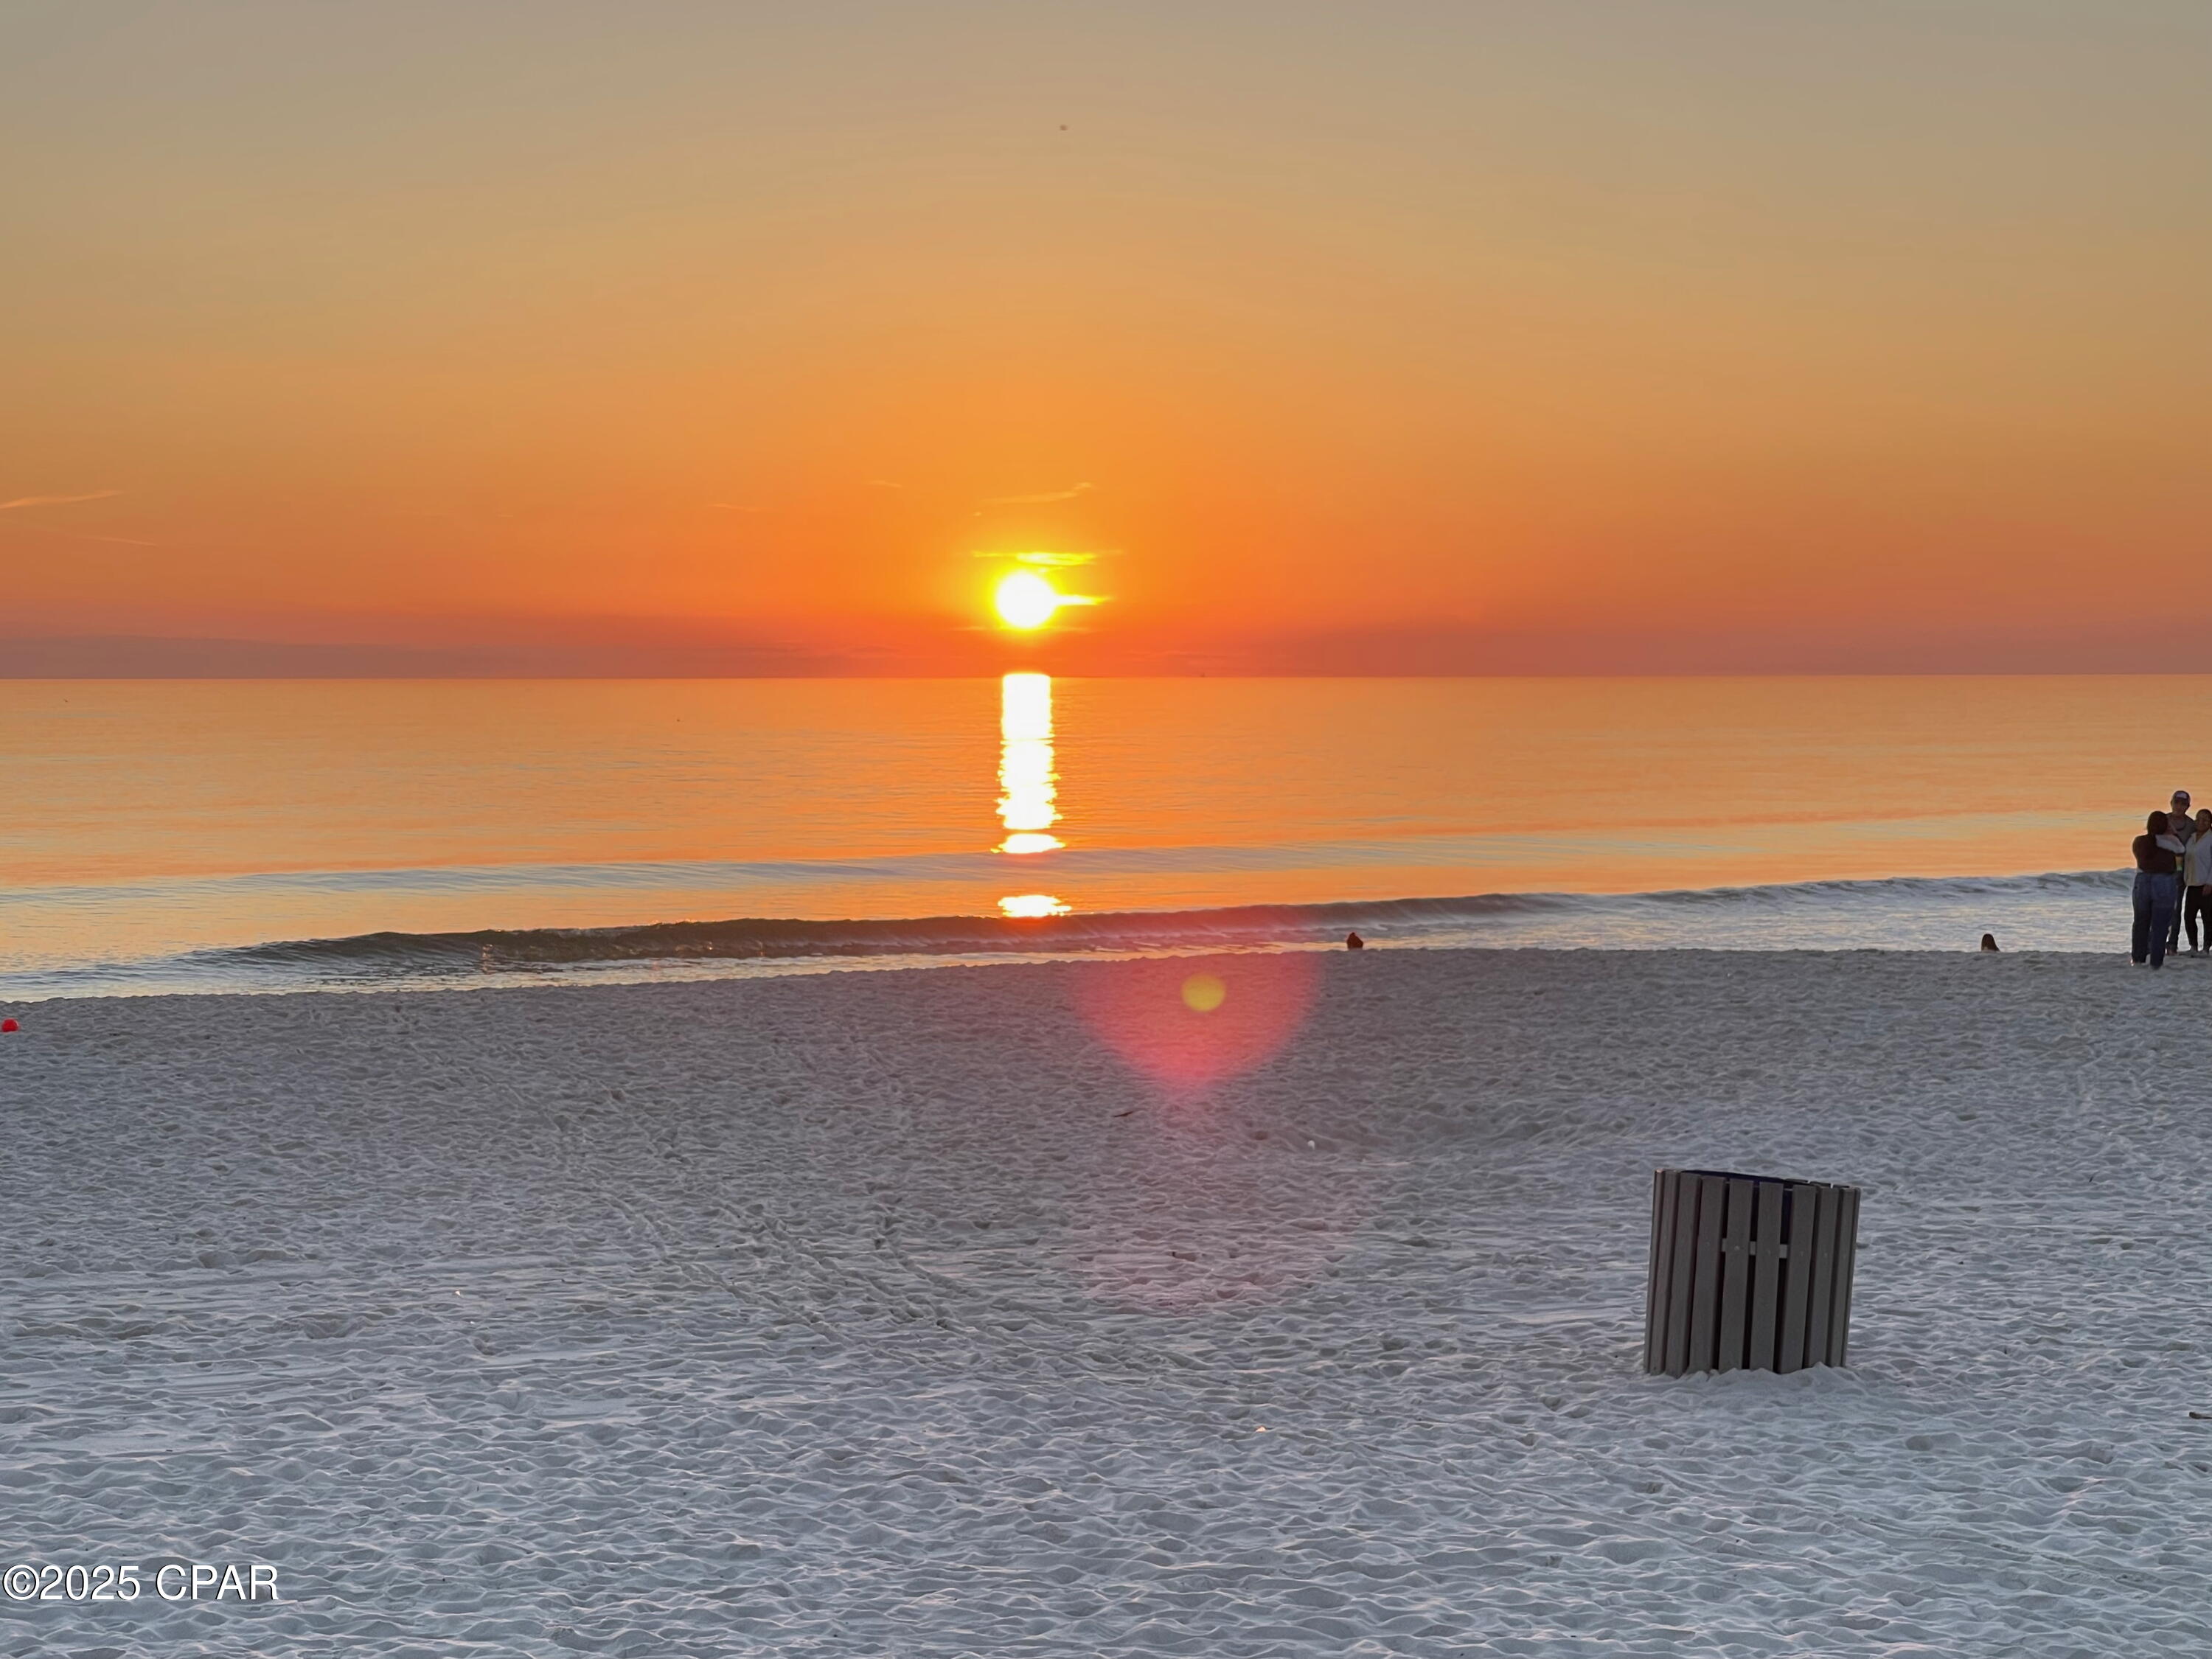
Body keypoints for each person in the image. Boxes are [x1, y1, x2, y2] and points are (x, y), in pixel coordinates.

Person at [2132, 810, 2185, 967]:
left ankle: (2138, 958)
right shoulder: (2171, 841)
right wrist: (2173, 833)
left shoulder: (2139, 841)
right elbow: (2181, 851)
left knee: (2141, 922)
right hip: (2163, 881)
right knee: (2160, 924)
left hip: (2142, 880)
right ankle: (2156, 961)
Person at [2166, 792, 2197, 954]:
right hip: (2162, 870)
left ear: (2188, 806)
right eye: (2176, 802)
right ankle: (2154, 941)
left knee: (2176, 908)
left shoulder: (2192, 825)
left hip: (2182, 872)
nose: (2179, 806)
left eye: (2183, 804)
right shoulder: (2162, 821)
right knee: (2159, 907)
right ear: (2171, 803)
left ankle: (2172, 945)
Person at [2185, 808, 2212, 955]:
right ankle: (2193, 946)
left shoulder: (2211, 838)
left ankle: (2206, 948)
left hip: (2206, 884)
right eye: (2199, 819)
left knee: (2208, 917)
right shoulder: (2192, 838)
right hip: (2192, 883)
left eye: (2205, 820)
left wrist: (2210, 882)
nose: (2201, 822)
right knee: (2189, 916)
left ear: (2210, 823)